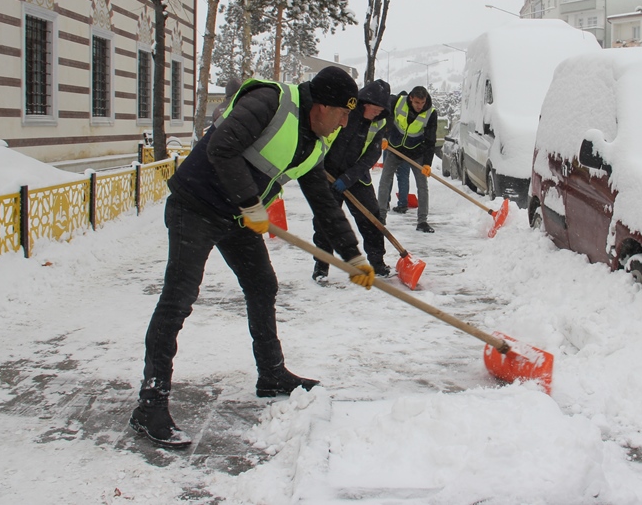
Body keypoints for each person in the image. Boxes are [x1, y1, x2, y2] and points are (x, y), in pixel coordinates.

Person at [130, 66, 376, 449]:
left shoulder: (314, 143)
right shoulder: (270, 102)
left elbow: (324, 205)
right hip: (195, 206)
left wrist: (353, 255)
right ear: (322, 107)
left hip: (237, 214)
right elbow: (221, 147)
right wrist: (250, 202)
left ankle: (272, 373)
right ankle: (151, 401)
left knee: (263, 285)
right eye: (342, 115)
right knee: (179, 298)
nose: (345, 124)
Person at [312, 79, 393, 282]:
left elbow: (371, 155)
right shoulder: (344, 113)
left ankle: (378, 263)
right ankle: (321, 267)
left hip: (356, 176)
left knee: (372, 219)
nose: (377, 114)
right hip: (328, 173)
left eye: (381, 111)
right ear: (365, 103)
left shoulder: (379, 122)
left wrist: (348, 178)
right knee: (326, 221)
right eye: (375, 109)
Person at [377, 85, 438, 233]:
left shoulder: (430, 113)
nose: (419, 106)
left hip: (417, 153)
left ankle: (422, 221)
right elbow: (385, 119)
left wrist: (427, 163)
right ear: (411, 98)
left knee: (422, 186)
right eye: (417, 102)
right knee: (385, 181)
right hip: (394, 148)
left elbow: (430, 140)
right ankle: (380, 217)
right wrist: (384, 136)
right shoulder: (397, 102)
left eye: (422, 103)